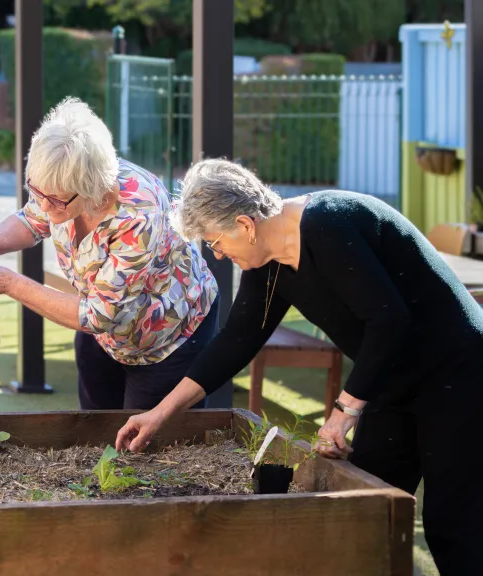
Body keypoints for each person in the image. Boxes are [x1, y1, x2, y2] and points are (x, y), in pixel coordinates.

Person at [114, 158, 483, 575]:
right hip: (393, 377)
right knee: (367, 508)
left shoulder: (328, 227)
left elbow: (389, 321)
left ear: (245, 225)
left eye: (216, 242)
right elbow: (237, 341)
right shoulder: (267, 260)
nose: (218, 253)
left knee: (453, 524)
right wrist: (160, 414)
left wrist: (344, 412)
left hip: (458, 372)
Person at [0, 97, 219, 409]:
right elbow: (31, 219)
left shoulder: (138, 215)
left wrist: (11, 283)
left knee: (149, 446)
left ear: (93, 188)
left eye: (57, 200)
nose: (46, 207)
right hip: (105, 335)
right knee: (94, 429)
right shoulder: (56, 188)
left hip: (168, 336)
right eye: (38, 193)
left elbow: (97, 314)